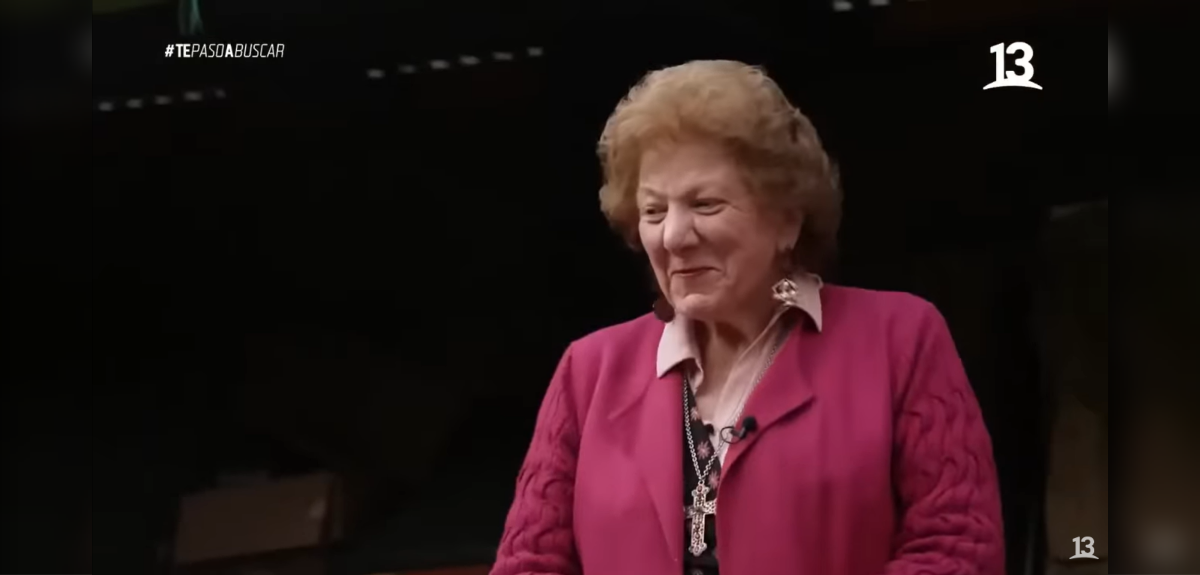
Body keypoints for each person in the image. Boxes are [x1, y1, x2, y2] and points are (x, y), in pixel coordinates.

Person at [490, 60, 1005, 575]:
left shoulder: (899, 340)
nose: (674, 236)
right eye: (653, 212)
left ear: (787, 220)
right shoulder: (589, 372)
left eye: (705, 204)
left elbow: (957, 549)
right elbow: (529, 564)